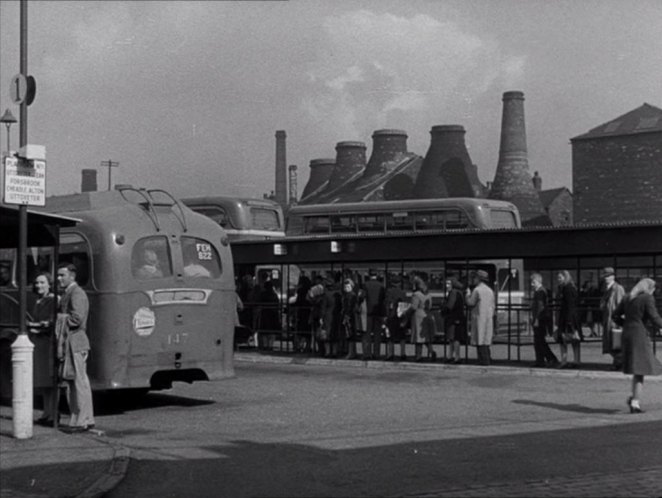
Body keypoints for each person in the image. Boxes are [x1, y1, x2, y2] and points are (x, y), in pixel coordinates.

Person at [611, 278, 662, 414]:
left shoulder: (628, 297)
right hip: (639, 335)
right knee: (641, 370)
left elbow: (615, 315)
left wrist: (626, 324)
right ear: (649, 288)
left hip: (627, 334)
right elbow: (654, 317)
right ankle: (635, 402)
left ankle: (634, 399)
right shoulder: (647, 298)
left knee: (637, 369)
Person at [56, 263, 95, 433]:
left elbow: (76, 319)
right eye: (58, 275)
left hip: (76, 342)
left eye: (62, 275)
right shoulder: (68, 293)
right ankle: (80, 418)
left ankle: (83, 420)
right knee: (73, 381)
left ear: (72, 276)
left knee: (79, 382)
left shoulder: (76, 293)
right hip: (71, 342)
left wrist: (57, 319)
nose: (58, 278)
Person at [27, 273, 59, 426]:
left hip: (48, 342)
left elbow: (52, 322)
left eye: (42, 282)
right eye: (37, 283)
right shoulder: (38, 300)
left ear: (49, 284)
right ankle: (46, 412)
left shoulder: (53, 300)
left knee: (50, 380)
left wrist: (36, 327)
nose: (39, 285)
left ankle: (54, 413)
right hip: (39, 343)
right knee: (43, 381)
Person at [466, 270, 495, 366]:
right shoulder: (490, 291)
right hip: (488, 318)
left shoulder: (477, 290)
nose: (473, 280)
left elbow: (470, 302)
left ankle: (483, 361)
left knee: (480, 340)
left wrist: (467, 295)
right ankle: (488, 359)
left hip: (479, 318)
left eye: (474, 278)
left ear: (478, 279)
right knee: (486, 340)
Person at [529, 273, 559, 368]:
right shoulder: (540, 291)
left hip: (540, 320)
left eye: (533, 282)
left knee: (540, 341)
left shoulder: (540, 292)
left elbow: (540, 307)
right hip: (540, 319)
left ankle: (550, 359)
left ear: (538, 281)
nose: (531, 284)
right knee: (539, 341)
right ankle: (540, 360)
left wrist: (536, 319)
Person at [600, 267, 625, 370]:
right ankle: (618, 362)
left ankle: (619, 363)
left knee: (616, 342)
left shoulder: (617, 288)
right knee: (611, 341)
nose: (606, 278)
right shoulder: (607, 289)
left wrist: (619, 319)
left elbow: (621, 305)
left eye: (608, 276)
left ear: (613, 276)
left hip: (614, 320)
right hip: (608, 319)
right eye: (605, 276)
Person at [555, 270, 582, 368]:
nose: (558, 280)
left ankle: (564, 361)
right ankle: (576, 360)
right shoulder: (571, 287)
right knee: (575, 340)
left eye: (560, 277)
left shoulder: (566, 288)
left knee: (563, 340)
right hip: (573, 317)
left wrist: (568, 321)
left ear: (565, 277)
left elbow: (569, 305)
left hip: (567, 317)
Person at [407, 276, 436, 362]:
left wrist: (406, 312)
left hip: (418, 316)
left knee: (418, 337)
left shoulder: (416, 295)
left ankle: (418, 355)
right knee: (426, 337)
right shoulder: (429, 295)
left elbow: (414, 307)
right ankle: (431, 351)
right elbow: (430, 306)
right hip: (427, 315)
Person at [362, 269, 386, 360]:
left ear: (369, 275)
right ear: (377, 275)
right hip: (379, 312)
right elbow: (384, 299)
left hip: (368, 312)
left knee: (367, 334)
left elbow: (361, 297)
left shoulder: (365, 285)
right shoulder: (381, 286)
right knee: (377, 334)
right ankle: (377, 354)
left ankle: (367, 354)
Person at [442, 276, 466, 364]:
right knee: (453, 338)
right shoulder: (459, 293)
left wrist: (444, 307)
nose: (446, 285)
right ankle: (452, 356)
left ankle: (455, 357)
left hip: (453, 318)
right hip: (458, 317)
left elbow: (450, 306)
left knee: (454, 338)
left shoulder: (453, 293)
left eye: (448, 284)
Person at [384, 274, 407, 361]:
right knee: (402, 337)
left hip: (392, 316)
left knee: (390, 336)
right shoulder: (403, 292)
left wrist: (386, 316)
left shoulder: (389, 292)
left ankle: (390, 354)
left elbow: (387, 305)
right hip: (400, 316)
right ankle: (403, 353)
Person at [340, 278, 360, 359]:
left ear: (351, 287)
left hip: (350, 317)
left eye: (348, 287)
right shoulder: (351, 295)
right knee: (350, 335)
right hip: (351, 316)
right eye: (345, 287)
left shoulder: (350, 296)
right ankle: (352, 352)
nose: (346, 288)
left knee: (350, 335)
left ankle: (351, 353)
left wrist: (346, 316)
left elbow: (349, 307)